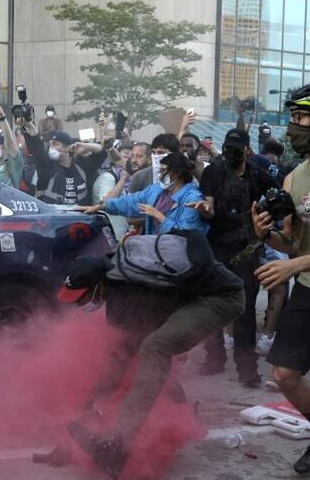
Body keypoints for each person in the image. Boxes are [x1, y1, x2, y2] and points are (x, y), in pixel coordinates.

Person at [59, 232, 245, 479]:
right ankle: (183, 415)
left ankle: (118, 444)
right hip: (192, 300)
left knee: (154, 348)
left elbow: (122, 359)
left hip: (220, 298)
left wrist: (90, 403)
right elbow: (120, 359)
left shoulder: (126, 286)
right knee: (152, 355)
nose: (81, 305)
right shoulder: (118, 276)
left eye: (82, 298)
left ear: (99, 285)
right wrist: (87, 405)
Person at [250, 84, 310, 474]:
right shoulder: (296, 178)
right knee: (284, 375)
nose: (292, 126)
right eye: (291, 118)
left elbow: (294, 261)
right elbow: (292, 243)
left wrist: (294, 266)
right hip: (307, 291)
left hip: (300, 278)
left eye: (301, 118)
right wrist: (265, 235)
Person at [195, 128, 278, 386]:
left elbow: (279, 197)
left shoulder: (258, 175)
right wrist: (205, 209)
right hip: (217, 247)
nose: (231, 153)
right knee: (212, 307)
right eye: (228, 148)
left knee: (246, 311)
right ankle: (214, 359)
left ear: (247, 151)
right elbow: (208, 206)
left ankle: (247, 369)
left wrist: (266, 219)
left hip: (247, 250)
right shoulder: (213, 172)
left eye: (236, 149)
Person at [79, 152, 208, 235]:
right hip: (155, 248)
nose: (160, 175)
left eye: (163, 171)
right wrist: (101, 206)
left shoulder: (192, 198)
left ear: (177, 173)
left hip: (179, 257)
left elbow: (186, 235)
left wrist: (157, 215)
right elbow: (130, 203)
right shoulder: (156, 190)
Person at [22, 122, 105, 206]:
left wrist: (85, 146)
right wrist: (29, 125)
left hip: (81, 218)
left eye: (55, 144)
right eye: (50, 145)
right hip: (55, 217)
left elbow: (102, 153)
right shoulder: (47, 167)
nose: (51, 148)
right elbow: (37, 148)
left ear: (67, 148)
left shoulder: (82, 166)